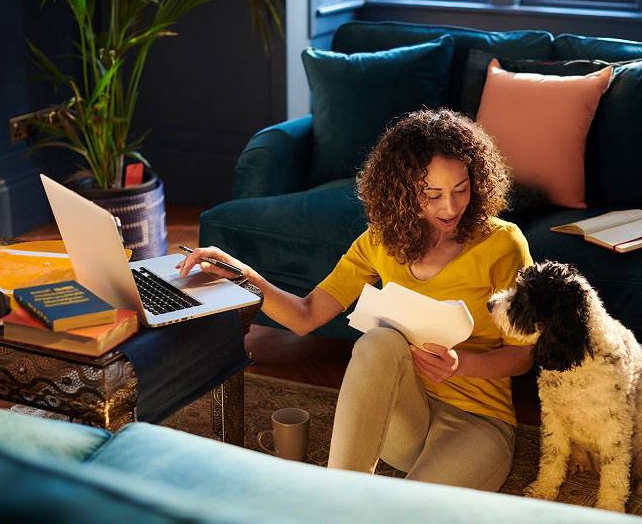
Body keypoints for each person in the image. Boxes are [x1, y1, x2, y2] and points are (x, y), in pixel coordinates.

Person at [178, 108, 535, 491]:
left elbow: (523, 356)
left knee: (407, 513)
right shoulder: (381, 241)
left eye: (461, 189)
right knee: (380, 340)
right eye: (432, 194)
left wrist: (459, 365)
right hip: (403, 419)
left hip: (478, 419)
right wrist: (241, 274)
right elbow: (306, 315)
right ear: (401, 189)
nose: (449, 207)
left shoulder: (503, 244)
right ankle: (340, 495)